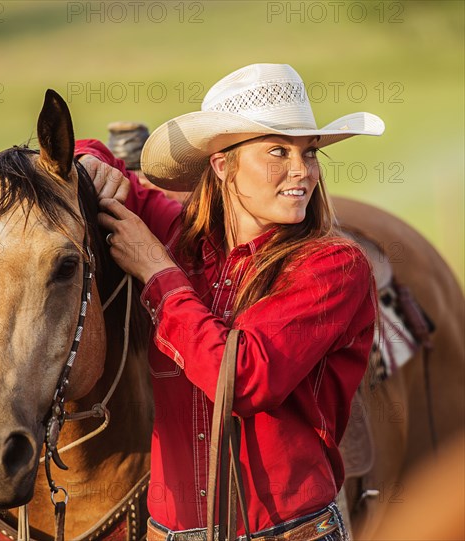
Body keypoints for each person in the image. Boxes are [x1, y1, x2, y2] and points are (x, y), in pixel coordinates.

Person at [75, 63, 384, 541]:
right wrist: (88, 161)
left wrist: (159, 274)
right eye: (278, 151)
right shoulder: (180, 237)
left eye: (310, 152)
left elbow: (242, 381)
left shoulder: (332, 266)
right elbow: (90, 158)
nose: (302, 171)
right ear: (222, 165)